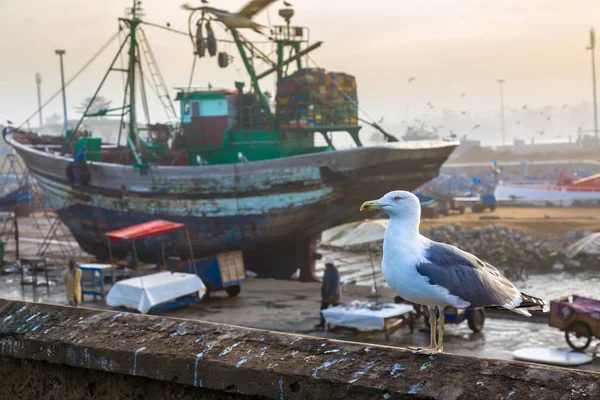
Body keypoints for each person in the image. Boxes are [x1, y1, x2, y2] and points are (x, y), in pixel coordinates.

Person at [315, 258, 341, 329]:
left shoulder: (334, 272)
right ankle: (322, 323)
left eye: (326, 264)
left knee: (335, 310)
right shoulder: (327, 270)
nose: (325, 265)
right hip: (327, 294)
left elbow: (335, 284)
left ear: (329, 264)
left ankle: (338, 324)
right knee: (323, 309)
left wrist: (332, 294)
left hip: (333, 295)